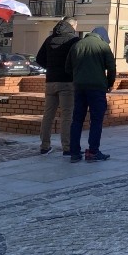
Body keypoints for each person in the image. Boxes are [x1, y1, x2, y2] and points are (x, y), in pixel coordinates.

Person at [65, 27, 116, 163]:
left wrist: (77, 79)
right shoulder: (103, 46)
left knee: (77, 120)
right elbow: (111, 68)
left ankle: (74, 153)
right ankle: (93, 151)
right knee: (96, 120)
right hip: (97, 88)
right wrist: (109, 83)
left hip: (80, 87)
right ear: (102, 36)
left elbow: (68, 67)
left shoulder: (77, 45)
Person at [36, 17, 80, 156]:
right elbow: (77, 60)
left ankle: (44, 145)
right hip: (67, 82)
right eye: (76, 26)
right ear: (72, 25)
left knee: (48, 114)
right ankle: (67, 147)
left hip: (50, 81)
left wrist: (50, 68)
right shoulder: (74, 40)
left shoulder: (49, 39)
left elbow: (39, 58)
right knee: (67, 115)